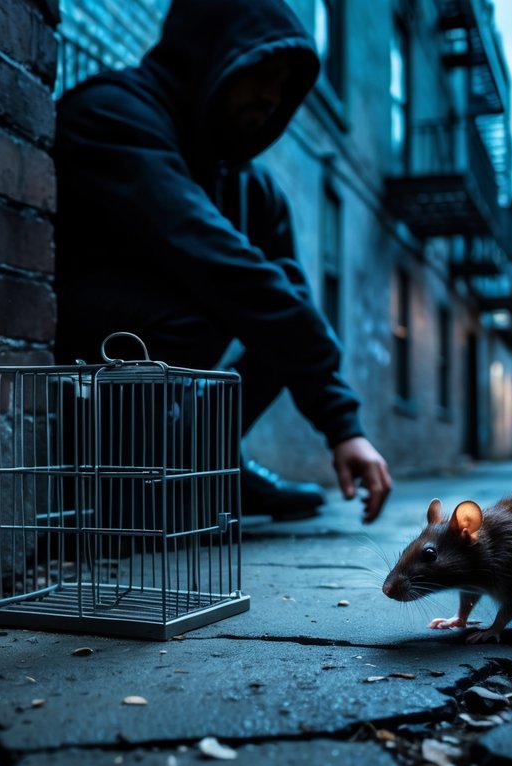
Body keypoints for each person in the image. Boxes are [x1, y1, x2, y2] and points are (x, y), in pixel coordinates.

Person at [54, 0, 392, 523]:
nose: (272, 96)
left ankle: (209, 467)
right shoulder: (111, 112)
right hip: (79, 362)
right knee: (235, 303)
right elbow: (215, 264)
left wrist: (343, 426)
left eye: (284, 84)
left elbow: (290, 299)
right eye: (261, 74)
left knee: (281, 311)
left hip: (161, 335)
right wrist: (334, 404)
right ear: (209, 57)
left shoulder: (252, 187)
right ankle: (124, 492)